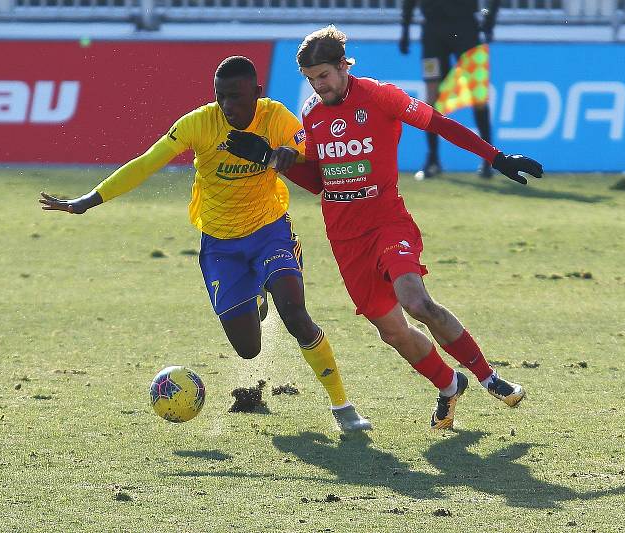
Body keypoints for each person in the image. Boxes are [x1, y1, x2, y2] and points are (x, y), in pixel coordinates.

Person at [224, 27, 542, 430]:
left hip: (387, 221)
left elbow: (439, 124)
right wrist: (273, 160)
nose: (318, 86)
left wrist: (495, 157)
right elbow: (322, 183)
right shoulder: (310, 114)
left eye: (323, 75)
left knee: (415, 302)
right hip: (344, 237)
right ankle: (449, 385)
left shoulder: (379, 96)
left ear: (343, 66)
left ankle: (489, 377)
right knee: (393, 332)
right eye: (310, 79)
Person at [38, 55, 371, 433]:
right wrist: (89, 199)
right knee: (249, 349)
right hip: (220, 246)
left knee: (295, 315)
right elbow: (147, 162)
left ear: (256, 94)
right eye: (220, 97)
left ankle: (343, 407)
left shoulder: (275, 117)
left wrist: (282, 155)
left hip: (269, 232)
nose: (227, 106)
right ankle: (257, 292)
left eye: (236, 97)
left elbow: (311, 150)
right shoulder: (199, 123)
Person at [400, 0, 500, 180]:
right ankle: (433, 160)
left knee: (478, 95)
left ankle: (489, 159)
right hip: (433, 31)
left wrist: (489, 18)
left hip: (466, 28)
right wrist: (405, 28)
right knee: (432, 95)